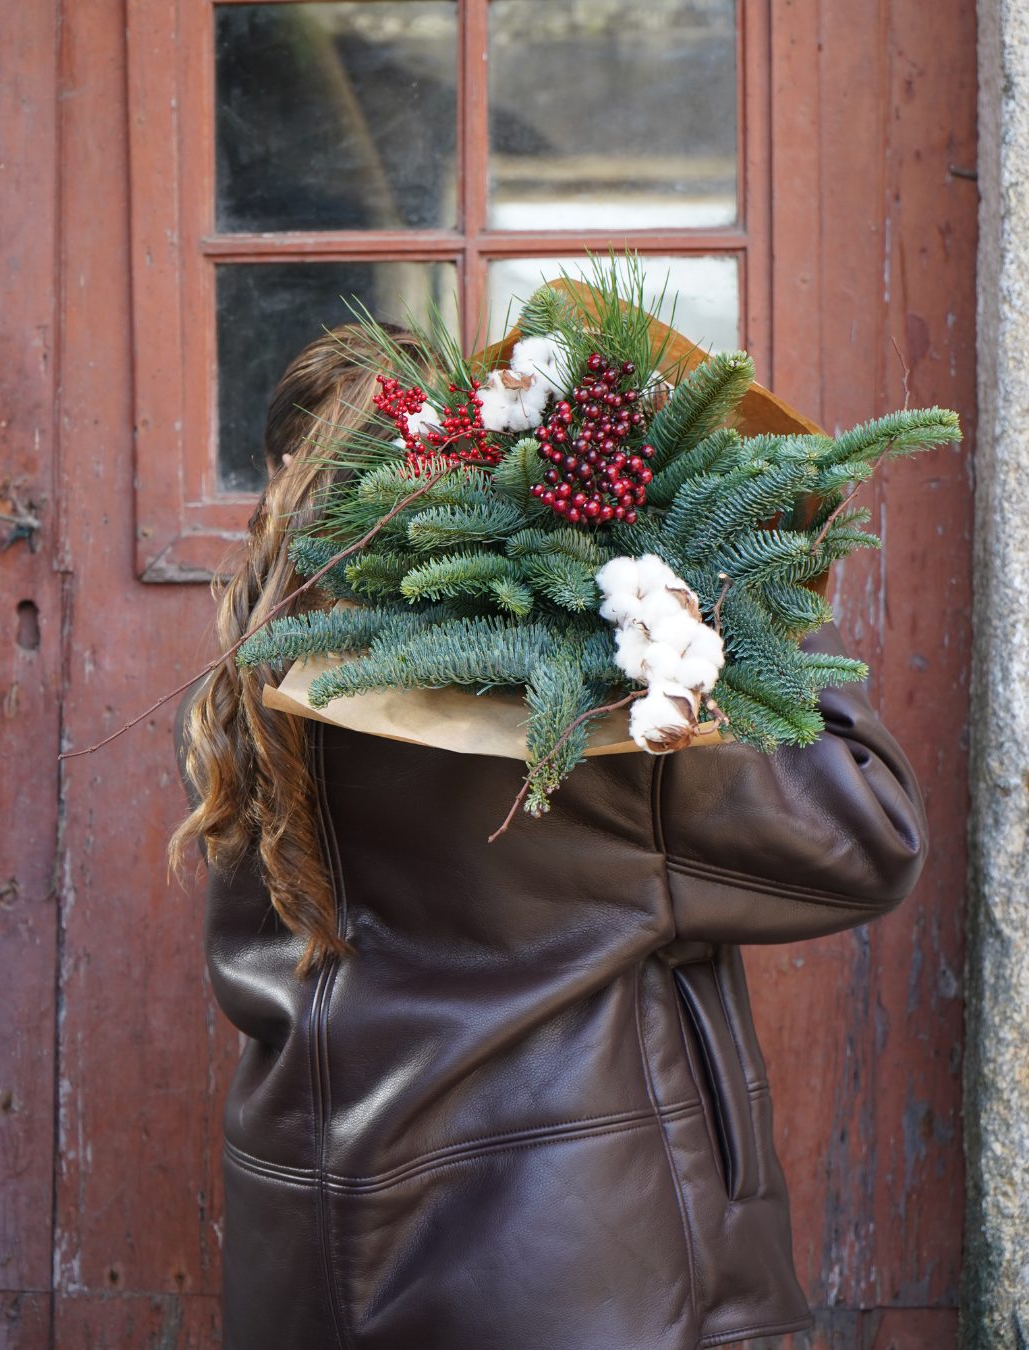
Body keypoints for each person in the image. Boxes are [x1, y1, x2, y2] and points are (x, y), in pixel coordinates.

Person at [172, 324, 927, 1350]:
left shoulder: (255, 680)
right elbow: (870, 832)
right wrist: (736, 586)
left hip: (306, 1254)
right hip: (571, 1270)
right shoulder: (580, 708)